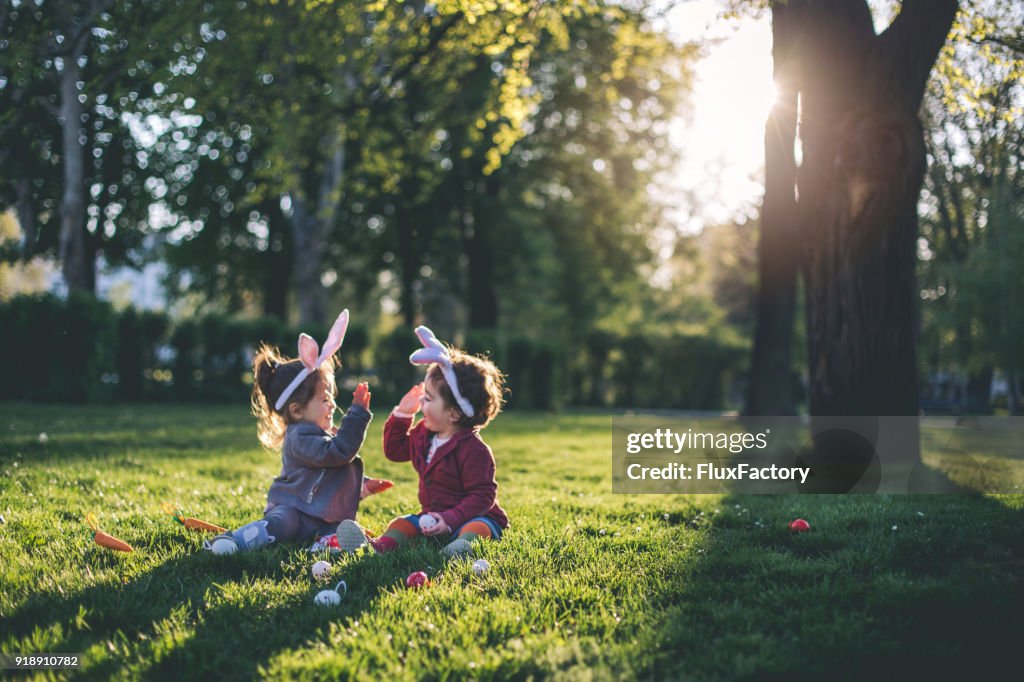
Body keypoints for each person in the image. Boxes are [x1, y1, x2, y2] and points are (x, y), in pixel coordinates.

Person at [206, 310, 385, 554]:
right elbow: (338, 453)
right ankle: (235, 541)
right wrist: (356, 416)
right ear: (297, 410)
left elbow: (331, 472)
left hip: (319, 514)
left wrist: (363, 485)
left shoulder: (319, 434)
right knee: (282, 525)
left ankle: (326, 544)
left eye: (331, 396)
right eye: (324, 398)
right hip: (294, 508)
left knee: (335, 528)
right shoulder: (300, 436)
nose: (332, 403)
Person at [336, 326, 507, 558]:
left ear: (454, 413)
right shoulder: (424, 434)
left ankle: (460, 547)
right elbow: (394, 451)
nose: (422, 404)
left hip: (472, 516)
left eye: (428, 398)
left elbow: (483, 496)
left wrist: (450, 519)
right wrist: (402, 416)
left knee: (477, 528)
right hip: (432, 516)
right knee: (402, 523)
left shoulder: (475, 450)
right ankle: (378, 546)